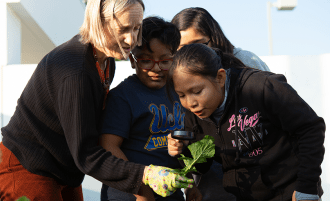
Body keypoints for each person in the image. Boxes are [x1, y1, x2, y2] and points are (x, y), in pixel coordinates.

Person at [0, 1, 193, 200]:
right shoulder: (75, 71)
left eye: (136, 28)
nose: (131, 40)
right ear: (98, 22)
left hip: (63, 169)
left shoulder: (107, 61)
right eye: (123, 29)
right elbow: (87, 154)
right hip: (27, 163)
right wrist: (144, 176)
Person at [167, 43, 325, 201]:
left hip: (291, 193)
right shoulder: (194, 115)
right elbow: (203, 165)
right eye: (181, 95)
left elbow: (310, 128)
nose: (190, 103)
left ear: (220, 78)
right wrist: (183, 151)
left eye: (197, 92)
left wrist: (306, 188)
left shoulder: (260, 88)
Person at [171, 7, 270, 200]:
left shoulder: (245, 61)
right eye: (182, 49)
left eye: (198, 44)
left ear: (214, 37)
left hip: (258, 178)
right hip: (212, 183)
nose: (192, 53)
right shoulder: (179, 77)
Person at [99, 16, 200, 201]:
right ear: (132, 60)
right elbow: (108, 146)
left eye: (165, 61)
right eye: (146, 61)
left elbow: (183, 146)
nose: (156, 68)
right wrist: (139, 189)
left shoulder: (180, 94)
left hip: (171, 193)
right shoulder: (122, 96)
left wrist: (191, 184)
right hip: (129, 194)